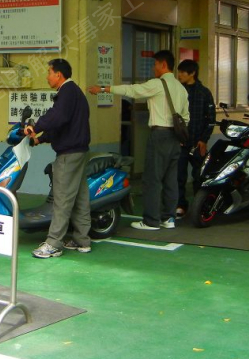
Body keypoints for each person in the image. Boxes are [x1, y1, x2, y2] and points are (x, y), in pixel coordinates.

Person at [88, 50, 189, 230]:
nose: (153, 68)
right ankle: (169, 218)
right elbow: (186, 117)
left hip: (159, 135)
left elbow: (132, 90)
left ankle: (151, 221)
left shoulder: (157, 84)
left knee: (152, 179)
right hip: (175, 137)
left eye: (155, 64)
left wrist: (104, 89)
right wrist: (180, 136)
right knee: (171, 180)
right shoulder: (181, 88)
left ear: (163, 64)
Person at [25, 58, 92, 259]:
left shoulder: (67, 92)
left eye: (49, 72)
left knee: (62, 198)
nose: (47, 76)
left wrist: (35, 127)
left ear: (58, 74)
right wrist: (40, 139)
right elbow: (63, 124)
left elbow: (57, 117)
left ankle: (54, 243)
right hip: (79, 151)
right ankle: (82, 240)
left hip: (69, 154)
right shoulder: (74, 92)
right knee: (79, 197)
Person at [175, 59, 215, 223]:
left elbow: (211, 119)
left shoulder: (204, 93)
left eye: (182, 72)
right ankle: (181, 205)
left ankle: (200, 206)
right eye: (179, 72)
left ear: (192, 73)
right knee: (178, 175)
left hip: (198, 142)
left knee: (199, 176)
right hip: (180, 142)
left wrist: (204, 140)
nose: (179, 75)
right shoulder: (177, 91)